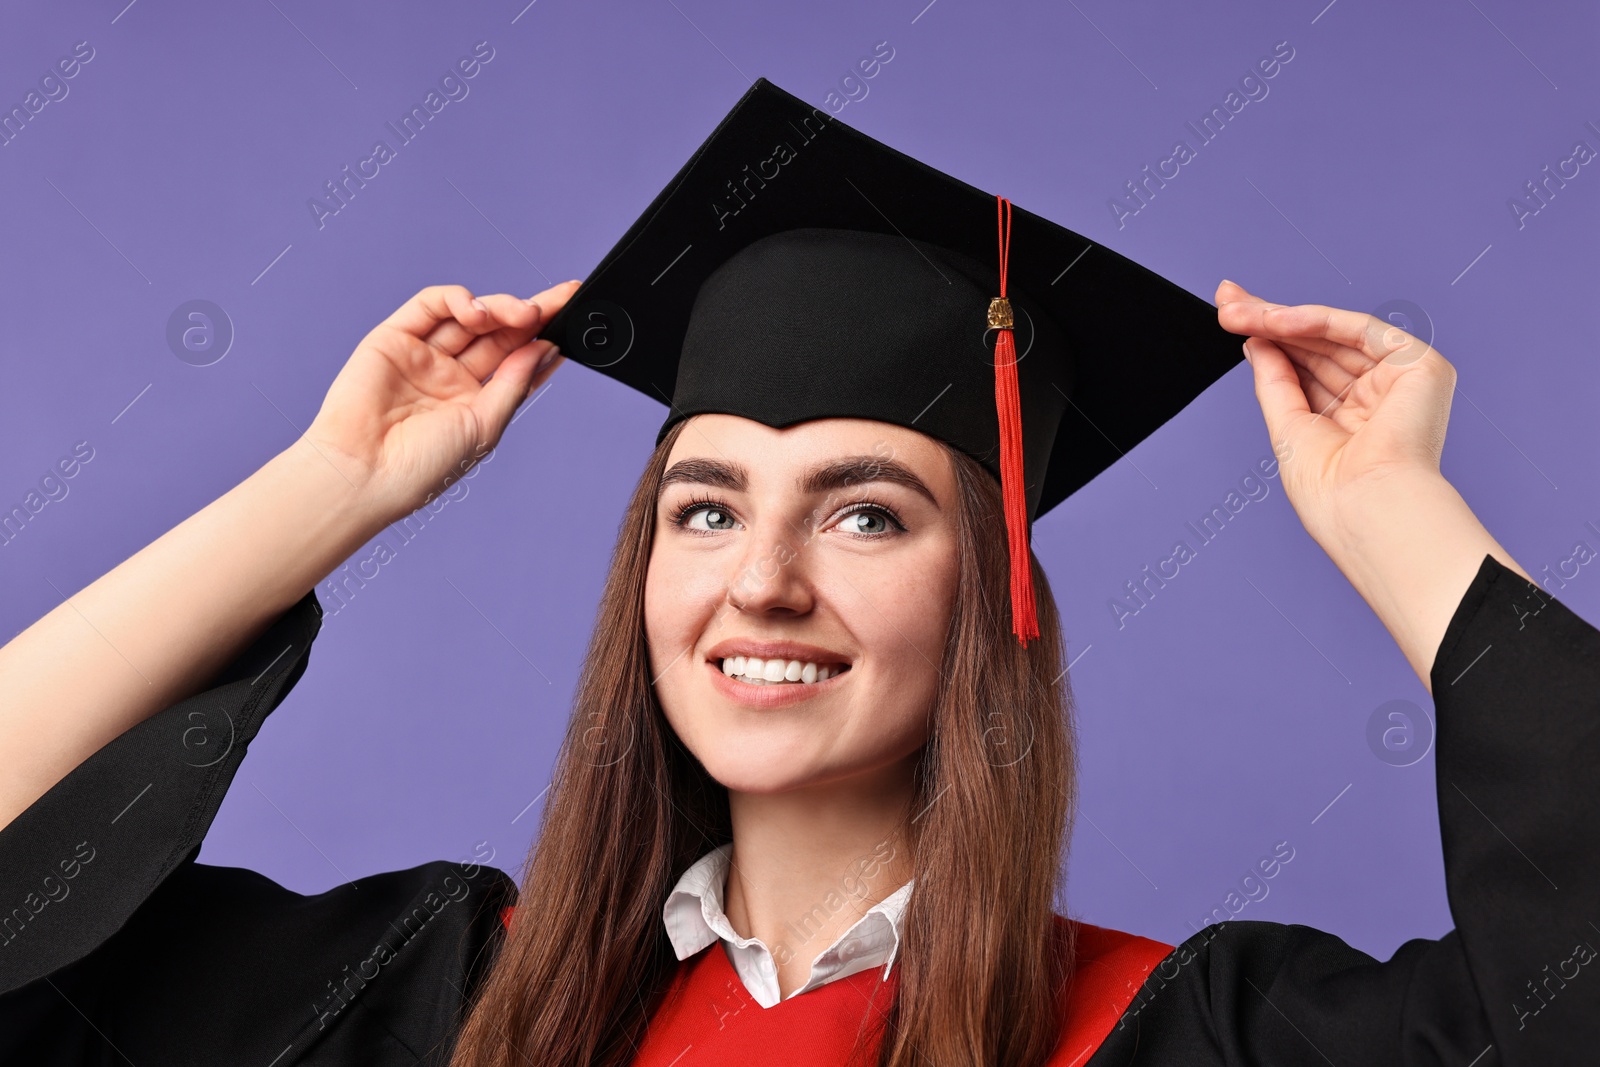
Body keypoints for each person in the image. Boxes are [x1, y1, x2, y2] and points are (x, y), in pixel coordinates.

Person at [1, 77, 1595, 1067]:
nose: (758, 579)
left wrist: (1393, 511)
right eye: (703, 511)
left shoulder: (1176, 1037)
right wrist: (323, 492)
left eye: (865, 514)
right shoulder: (433, 1007)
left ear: (996, 595)